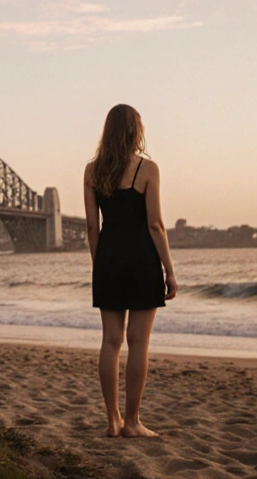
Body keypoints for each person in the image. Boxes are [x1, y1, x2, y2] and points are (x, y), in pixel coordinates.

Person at [84, 103, 177, 438]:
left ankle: (112, 421)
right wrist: (169, 269)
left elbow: (92, 228)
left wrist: (101, 265)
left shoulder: (92, 171)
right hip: (142, 260)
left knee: (110, 342)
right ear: (136, 131)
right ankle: (133, 422)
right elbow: (155, 225)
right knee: (139, 342)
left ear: (107, 131)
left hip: (108, 258)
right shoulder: (147, 169)